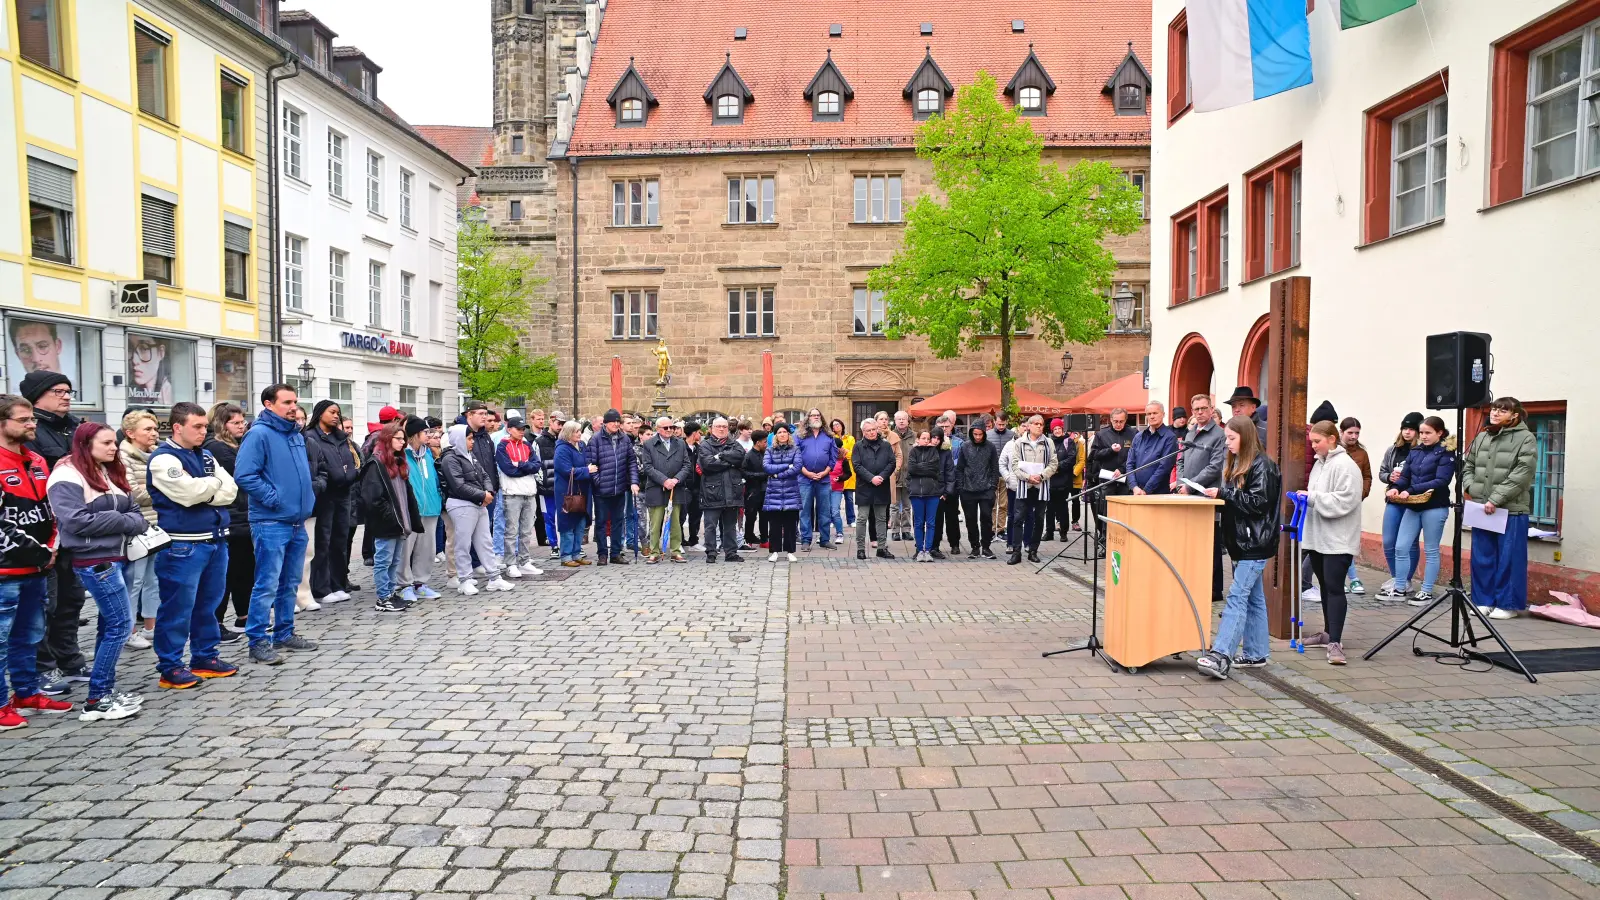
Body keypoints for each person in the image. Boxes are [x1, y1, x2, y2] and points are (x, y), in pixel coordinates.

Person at [46, 423, 150, 720]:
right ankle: (97, 698)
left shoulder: (106, 470)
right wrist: (121, 519)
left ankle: (105, 690)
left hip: (117, 555)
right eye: (106, 443)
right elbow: (76, 521)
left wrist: (118, 519)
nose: (113, 447)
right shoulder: (67, 474)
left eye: (113, 442)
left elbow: (137, 514)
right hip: (94, 560)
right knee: (120, 625)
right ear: (85, 444)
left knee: (111, 625)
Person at [147, 403, 240, 690]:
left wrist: (206, 488)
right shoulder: (163, 459)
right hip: (183, 544)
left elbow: (231, 490)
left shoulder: (206, 455)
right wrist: (212, 486)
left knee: (208, 605)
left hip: (215, 539)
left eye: (204, 426)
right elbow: (188, 494)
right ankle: (170, 666)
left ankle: (204, 656)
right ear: (177, 427)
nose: (203, 432)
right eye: (197, 427)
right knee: (177, 608)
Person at [233, 385, 317, 667]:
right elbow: (245, 475)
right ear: (269, 404)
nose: (293, 407)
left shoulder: (294, 434)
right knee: (267, 583)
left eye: (295, 401)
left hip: (296, 521)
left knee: (290, 582)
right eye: (287, 402)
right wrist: (274, 499)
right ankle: (257, 641)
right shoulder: (259, 434)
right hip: (270, 521)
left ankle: (284, 632)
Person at [1195, 416, 1282, 680]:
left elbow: (1259, 503)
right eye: (1226, 438)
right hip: (1241, 542)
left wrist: (1224, 494)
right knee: (1253, 599)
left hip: (1255, 543)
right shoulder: (1237, 463)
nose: (1228, 443)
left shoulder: (1263, 465)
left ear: (1246, 436)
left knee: (1237, 597)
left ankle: (1222, 655)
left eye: (1232, 438)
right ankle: (1256, 653)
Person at [20, 371, 86, 697]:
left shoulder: (75, 426)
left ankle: (69, 659)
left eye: (68, 390)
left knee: (72, 599)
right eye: (58, 391)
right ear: (37, 395)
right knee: (45, 603)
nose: (66, 396)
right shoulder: (30, 430)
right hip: (44, 526)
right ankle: (42, 668)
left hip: (74, 523)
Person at [0, 394, 58, 730]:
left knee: (29, 636)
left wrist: (51, 547)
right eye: (23, 420)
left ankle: (26, 693)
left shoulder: (36, 459)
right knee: (1, 641)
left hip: (37, 568)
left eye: (32, 418)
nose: (32, 424)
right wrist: (40, 552)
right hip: (6, 570)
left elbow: (49, 511)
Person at [1462, 396, 1539, 620]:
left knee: (1509, 559)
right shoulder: (1483, 435)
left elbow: (1522, 473)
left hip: (1511, 509)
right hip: (1481, 506)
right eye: (1494, 409)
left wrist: (1495, 499)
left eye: (1502, 410)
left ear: (1515, 415)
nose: (1495, 413)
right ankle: (1483, 601)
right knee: (1482, 558)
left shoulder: (1526, 438)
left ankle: (1508, 605)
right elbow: (1469, 466)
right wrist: (1471, 488)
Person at [1298, 420, 1363, 665]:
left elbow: (1346, 500)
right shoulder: (1320, 464)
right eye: (1312, 442)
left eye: (1317, 441)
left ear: (1332, 439)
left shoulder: (1346, 465)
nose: (1313, 446)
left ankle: (1336, 642)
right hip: (1319, 537)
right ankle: (1327, 633)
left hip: (1338, 538)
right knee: (1324, 585)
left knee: (1335, 587)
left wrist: (1312, 498)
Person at [1386, 416, 1455, 607]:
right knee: (1401, 547)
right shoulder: (1415, 451)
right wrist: (1396, 488)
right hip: (1413, 505)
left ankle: (1426, 591)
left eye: (1428, 433)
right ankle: (1400, 587)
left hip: (1435, 506)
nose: (1423, 436)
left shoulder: (1446, 453)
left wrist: (1411, 490)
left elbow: (1441, 480)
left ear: (1439, 433)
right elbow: (1405, 476)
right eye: (1422, 432)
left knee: (1431, 549)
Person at [357, 422, 423, 612]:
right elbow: (372, 498)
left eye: (403, 439)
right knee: (383, 561)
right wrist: (391, 517)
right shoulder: (376, 464)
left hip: (400, 521)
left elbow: (406, 493)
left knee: (394, 561)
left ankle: (391, 593)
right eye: (398, 439)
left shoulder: (398, 461)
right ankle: (383, 597)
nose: (402, 443)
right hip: (387, 523)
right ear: (387, 439)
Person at [441, 424, 512, 593]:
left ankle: (494, 577)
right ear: (459, 439)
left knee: (485, 541)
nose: (472, 441)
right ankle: (464, 579)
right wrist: (482, 495)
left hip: (478, 503)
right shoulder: (450, 459)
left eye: (472, 438)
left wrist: (488, 492)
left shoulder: (469, 455)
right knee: (463, 543)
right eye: (469, 438)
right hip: (461, 504)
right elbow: (458, 485)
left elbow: (485, 474)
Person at [203, 404, 250, 645]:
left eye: (242, 422)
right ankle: (216, 623)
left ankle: (243, 616)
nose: (241, 426)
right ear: (223, 425)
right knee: (226, 573)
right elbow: (241, 475)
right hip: (229, 514)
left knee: (244, 570)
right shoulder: (217, 447)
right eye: (235, 423)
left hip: (242, 514)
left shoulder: (236, 445)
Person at [304, 400, 358, 607]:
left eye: (338, 413)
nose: (336, 416)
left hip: (344, 493)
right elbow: (318, 466)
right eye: (332, 412)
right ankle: (321, 588)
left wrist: (350, 474)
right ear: (320, 414)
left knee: (340, 541)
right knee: (322, 542)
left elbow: (353, 463)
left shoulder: (341, 438)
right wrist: (335, 476)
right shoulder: (311, 437)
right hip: (324, 495)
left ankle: (338, 584)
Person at [1177, 394, 1227, 605]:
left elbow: (1215, 467)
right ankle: (1195, 583)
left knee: (1211, 545)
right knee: (1194, 543)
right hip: (1188, 495)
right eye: (1196, 409)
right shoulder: (1190, 433)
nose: (1200, 412)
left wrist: (1190, 485)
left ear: (1211, 409)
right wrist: (1180, 482)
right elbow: (1181, 459)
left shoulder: (1219, 435)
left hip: (1206, 497)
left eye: (1204, 408)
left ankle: (1214, 589)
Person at [119, 410, 162, 649]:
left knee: (153, 579)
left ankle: (150, 626)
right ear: (130, 433)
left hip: (157, 525)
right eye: (147, 429)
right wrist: (166, 490)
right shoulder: (122, 457)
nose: (154, 433)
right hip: (136, 526)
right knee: (134, 580)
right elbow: (132, 493)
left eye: (155, 428)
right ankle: (128, 630)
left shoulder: (158, 454)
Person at [1375, 413, 1424, 599]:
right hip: (1394, 499)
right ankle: (1397, 578)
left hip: (1413, 500)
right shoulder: (1393, 449)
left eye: (1411, 429)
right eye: (1404, 428)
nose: (1407, 432)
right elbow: (1382, 472)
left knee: (1409, 542)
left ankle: (1406, 580)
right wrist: (1390, 477)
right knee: (1389, 541)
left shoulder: (1421, 450)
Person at [1000, 415, 1058, 564]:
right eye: (1036, 424)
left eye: (1041, 424)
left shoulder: (1048, 442)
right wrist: (1027, 477)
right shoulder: (1019, 442)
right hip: (1024, 486)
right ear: (1029, 426)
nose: (1039, 426)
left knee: (1039, 519)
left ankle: (1033, 551)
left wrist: (1041, 476)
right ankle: (1016, 552)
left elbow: (1053, 464)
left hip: (1041, 486)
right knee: (1018, 519)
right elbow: (1014, 465)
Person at [585, 409, 640, 565]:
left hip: (620, 487)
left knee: (618, 522)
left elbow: (631, 462)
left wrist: (634, 482)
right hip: (602, 490)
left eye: (617, 421)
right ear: (605, 423)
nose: (616, 424)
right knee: (601, 522)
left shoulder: (625, 439)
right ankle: (602, 554)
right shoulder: (595, 439)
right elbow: (590, 463)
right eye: (613, 422)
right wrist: (599, 482)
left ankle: (615, 553)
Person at [400, 416, 443, 603]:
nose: (429, 435)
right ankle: (403, 585)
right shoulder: (402, 454)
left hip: (431, 507)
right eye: (425, 432)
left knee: (427, 549)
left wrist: (438, 498)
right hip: (411, 509)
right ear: (414, 434)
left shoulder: (427, 454)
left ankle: (420, 583)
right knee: (405, 549)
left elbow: (434, 479)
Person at [494, 416, 544, 578]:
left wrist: (520, 464)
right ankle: (510, 563)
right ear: (509, 429)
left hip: (529, 492)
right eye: (518, 429)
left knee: (526, 531)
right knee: (511, 531)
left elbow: (536, 465)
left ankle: (524, 561)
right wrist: (526, 467)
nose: (522, 432)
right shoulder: (502, 446)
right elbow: (508, 469)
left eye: (523, 429)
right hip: (512, 493)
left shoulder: (527, 445)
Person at [639, 416, 691, 564]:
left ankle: (675, 551)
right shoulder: (649, 444)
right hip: (656, 488)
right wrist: (664, 480)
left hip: (676, 488)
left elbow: (687, 465)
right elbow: (647, 467)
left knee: (675, 523)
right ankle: (654, 552)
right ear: (657, 429)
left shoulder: (680, 443)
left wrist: (676, 479)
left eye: (672, 427)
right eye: (666, 427)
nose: (669, 430)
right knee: (655, 523)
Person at [697, 417, 746, 564]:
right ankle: (711, 552)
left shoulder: (734, 444)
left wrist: (722, 456)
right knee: (710, 525)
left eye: (724, 426)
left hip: (732, 490)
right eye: (718, 426)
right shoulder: (705, 445)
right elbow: (708, 464)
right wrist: (730, 463)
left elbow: (740, 458)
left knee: (730, 525)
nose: (721, 429)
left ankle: (731, 553)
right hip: (712, 491)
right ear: (712, 428)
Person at [851, 418, 897, 560]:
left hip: (881, 486)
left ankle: (881, 548)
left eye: (873, 429)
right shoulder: (858, 446)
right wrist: (871, 478)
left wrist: (881, 476)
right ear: (863, 432)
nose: (871, 432)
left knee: (881, 518)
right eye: (868, 430)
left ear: (877, 430)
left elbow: (891, 463)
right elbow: (857, 465)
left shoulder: (886, 445)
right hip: (864, 486)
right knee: (862, 518)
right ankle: (860, 549)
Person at [1088, 408, 1134, 547]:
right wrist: (1110, 451)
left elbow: (1135, 456)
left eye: (1121, 421)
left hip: (1125, 479)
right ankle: (1105, 541)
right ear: (1110, 420)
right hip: (1107, 479)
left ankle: (1123, 542)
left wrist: (1122, 469)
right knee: (1106, 511)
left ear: (1126, 420)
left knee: (1124, 512)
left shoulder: (1133, 433)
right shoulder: (1102, 434)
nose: (1118, 424)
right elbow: (1094, 455)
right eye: (1115, 421)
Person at [1339, 417, 1374, 595]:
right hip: (1336, 503)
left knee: (1349, 542)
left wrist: (1362, 493)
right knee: (1340, 542)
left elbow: (1367, 476)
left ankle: (1351, 579)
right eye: (1350, 433)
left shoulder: (1362, 454)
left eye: (1357, 433)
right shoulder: (1335, 451)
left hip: (1353, 504)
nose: (1353, 436)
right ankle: (1348, 578)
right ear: (1341, 432)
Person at [906, 430, 952, 562]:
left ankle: (928, 550)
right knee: (919, 523)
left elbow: (934, 469)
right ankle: (920, 550)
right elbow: (911, 469)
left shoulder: (934, 452)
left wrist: (919, 468)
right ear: (918, 439)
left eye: (928, 438)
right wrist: (924, 468)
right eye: (923, 438)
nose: (926, 441)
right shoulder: (913, 452)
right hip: (917, 492)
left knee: (931, 523)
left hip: (932, 493)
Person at [796, 409, 836, 551]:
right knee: (805, 511)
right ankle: (806, 540)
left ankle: (825, 540)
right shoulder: (799, 436)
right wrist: (807, 473)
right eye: (813, 415)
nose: (816, 417)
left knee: (825, 511)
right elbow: (796, 457)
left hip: (823, 480)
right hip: (804, 479)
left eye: (818, 415)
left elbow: (833, 457)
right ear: (808, 418)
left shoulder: (829, 436)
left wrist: (825, 472)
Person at [552, 420, 592, 567]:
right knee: (568, 524)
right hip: (567, 492)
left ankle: (576, 554)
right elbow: (566, 470)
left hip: (581, 491)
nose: (579, 434)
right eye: (576, 431)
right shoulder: (562, 449)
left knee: (580, 524)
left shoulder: (581, 445)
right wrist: (587, 470)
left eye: (580, 431)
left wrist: (587, 468)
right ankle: (566, 556)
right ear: (568, 433)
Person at [763, 424, 802, 561]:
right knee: (774, 524)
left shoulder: (795, 449)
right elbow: (767, 467)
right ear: (775, 435)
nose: (782, 434)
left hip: (791, 491)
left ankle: (790, 551)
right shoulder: (769, 450)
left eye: (785, 432)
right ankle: (774, 551)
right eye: (779, 432)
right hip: (774, 492)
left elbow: (797, 467)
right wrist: (786, 465)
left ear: (788, 434)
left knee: (790, 523)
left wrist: (777, 475)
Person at [929, 412, 963, 559]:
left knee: (952, 517)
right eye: (941, 427)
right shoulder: (931, 444)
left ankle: (954, 543)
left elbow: (960, 463)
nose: (944, 429)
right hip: (936, 488)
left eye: (946, 427)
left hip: (952, 485)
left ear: (951, 426)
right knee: (936, 518)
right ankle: (934, 545)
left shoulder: (958, 442)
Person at [1126, 401, 1177, 497]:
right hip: (1136, 492)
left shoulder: (1170, 438)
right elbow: (1129, 463)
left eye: (1155, 413)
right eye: (1149, 414)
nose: (1152, 416)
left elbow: (1164, 467)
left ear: (1163, 414)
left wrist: (1146, 490)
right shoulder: (1138, 437)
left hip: (1157, 494)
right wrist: (1134, 486)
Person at [1043, 419, 1077, 541]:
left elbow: (1072, 459)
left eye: (1059, 428)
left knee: (1062, 507)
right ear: (1052, 430)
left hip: (1064, 480)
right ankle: (1049, 532)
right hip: (1050, 480)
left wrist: (1057, 467)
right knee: (1049, 508)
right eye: (1055, 429)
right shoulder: (1048, 442)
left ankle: (1063, 532)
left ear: (1063, 429)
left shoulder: (1068, 441)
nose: (1057, 431)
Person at [537, 411, 563, 558]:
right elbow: (535, 463)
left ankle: (567, 545)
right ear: (551, 422)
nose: (560, 427)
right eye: (558, 423)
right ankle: (554, 545)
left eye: (563, 424)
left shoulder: (564, 440)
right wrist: (542, 482)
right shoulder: (539, 441)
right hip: (546, 487)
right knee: (549, 517)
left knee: (565, 517)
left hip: (562, 486)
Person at [986, 413, 1013, 541]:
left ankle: (1001, 529)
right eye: (998, 424)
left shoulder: (1012, 435)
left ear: (1006, 422)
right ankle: (991, 530)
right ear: (994, 422)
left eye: (1003, 424)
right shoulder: (988, 435)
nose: (1001, 426)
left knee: (1003, 504)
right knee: (992, 504)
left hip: (1006, 474)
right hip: (991, 474)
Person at [890, 410, 916, 542]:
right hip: (894, 475)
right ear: (895, 421)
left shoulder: (914, 436)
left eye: (903, 419)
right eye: (898, 419)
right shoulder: (890, 436)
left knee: (907, 506)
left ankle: (906, 530)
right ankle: (895, 531)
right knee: (894, 506)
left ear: (908, 421)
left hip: (909, 476)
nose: (901, 421)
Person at [743, 429, 770, 550]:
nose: (766, 444)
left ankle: (764, 539)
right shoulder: (748, 456)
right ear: (758, 442)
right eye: (764, 442)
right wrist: (760, 475)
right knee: (751, 516)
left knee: (765, 516)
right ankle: (748, 538)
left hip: (765, 490)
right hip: (752, 491)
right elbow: (743, 472)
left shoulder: (766, 454)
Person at [830, 418, 857, 533]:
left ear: (842, 425)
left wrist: (845, 452)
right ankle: (833, 520)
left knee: (849, 498)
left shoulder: (850, 438)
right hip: (835, 474)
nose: (836, 426)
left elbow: (853, 453)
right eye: (834, 425)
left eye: (838, 424)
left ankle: (851, 519)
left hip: (847, 470)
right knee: (833, 502)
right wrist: (845, 452)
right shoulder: (831, 438)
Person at [679, 421, 702, 550]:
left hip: (698, 486)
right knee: (681, 516)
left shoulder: (699, 448)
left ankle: (694, 540)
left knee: (696, 515)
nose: (700, 435)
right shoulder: (680, 447)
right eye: (699, 432)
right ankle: (680, 541)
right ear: (694, 433)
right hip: (684, 486)